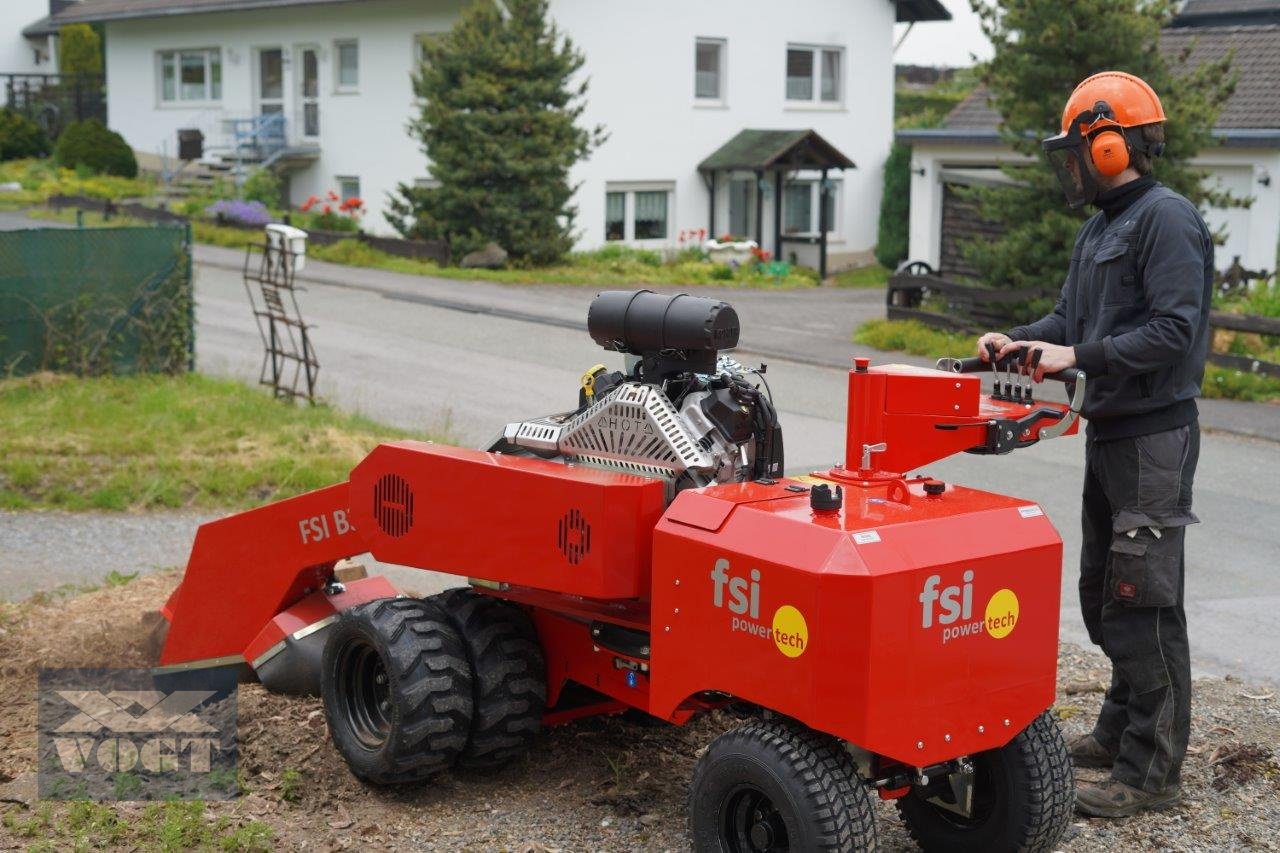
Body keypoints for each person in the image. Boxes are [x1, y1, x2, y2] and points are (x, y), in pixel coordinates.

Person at [976, 71, 1213, 818]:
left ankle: (1152, 773)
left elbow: (1174, 330)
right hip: (1111, 432)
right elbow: (1068, 321)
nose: (1071, 165)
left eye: (1078, 150)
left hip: (1152, 437)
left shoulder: (1165, 220)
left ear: (1110, 146)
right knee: (1104, 593)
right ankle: (1118, 733)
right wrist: (1022, 341)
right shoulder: (1102, 226)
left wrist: (1078, 358)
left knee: (1143, 601)